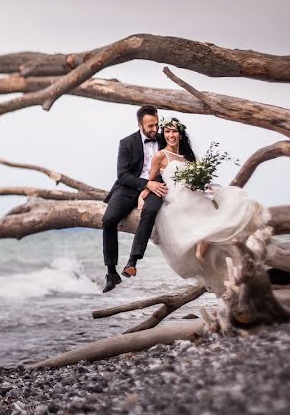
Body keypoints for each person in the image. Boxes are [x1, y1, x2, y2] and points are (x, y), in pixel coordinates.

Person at [141, 117, 269, 280]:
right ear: (163, 134)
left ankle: (218, 250)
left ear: (180, 134)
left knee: (228, 200)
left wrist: (209, 193)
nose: (171, 135)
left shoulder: (187, 156)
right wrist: (142, 196)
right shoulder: (160, 156)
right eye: (167, 131)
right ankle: (201, 252)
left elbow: (202, 182)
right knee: (199, 209)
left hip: (193, 191)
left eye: (174, 131)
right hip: (176, 196)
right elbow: (150, 180)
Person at [100, 105, 167, 293]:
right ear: (140, 125)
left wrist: (152, 186)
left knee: (150, 211)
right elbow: (122, 175)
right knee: (108, 220)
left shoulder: (165, 139)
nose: (155, 129)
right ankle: (111, 272)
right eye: (150, 126)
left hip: (157, 187)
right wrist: (146, 184)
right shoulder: (126, 143)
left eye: (157, 124)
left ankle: (132, 261)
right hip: (128, 187)